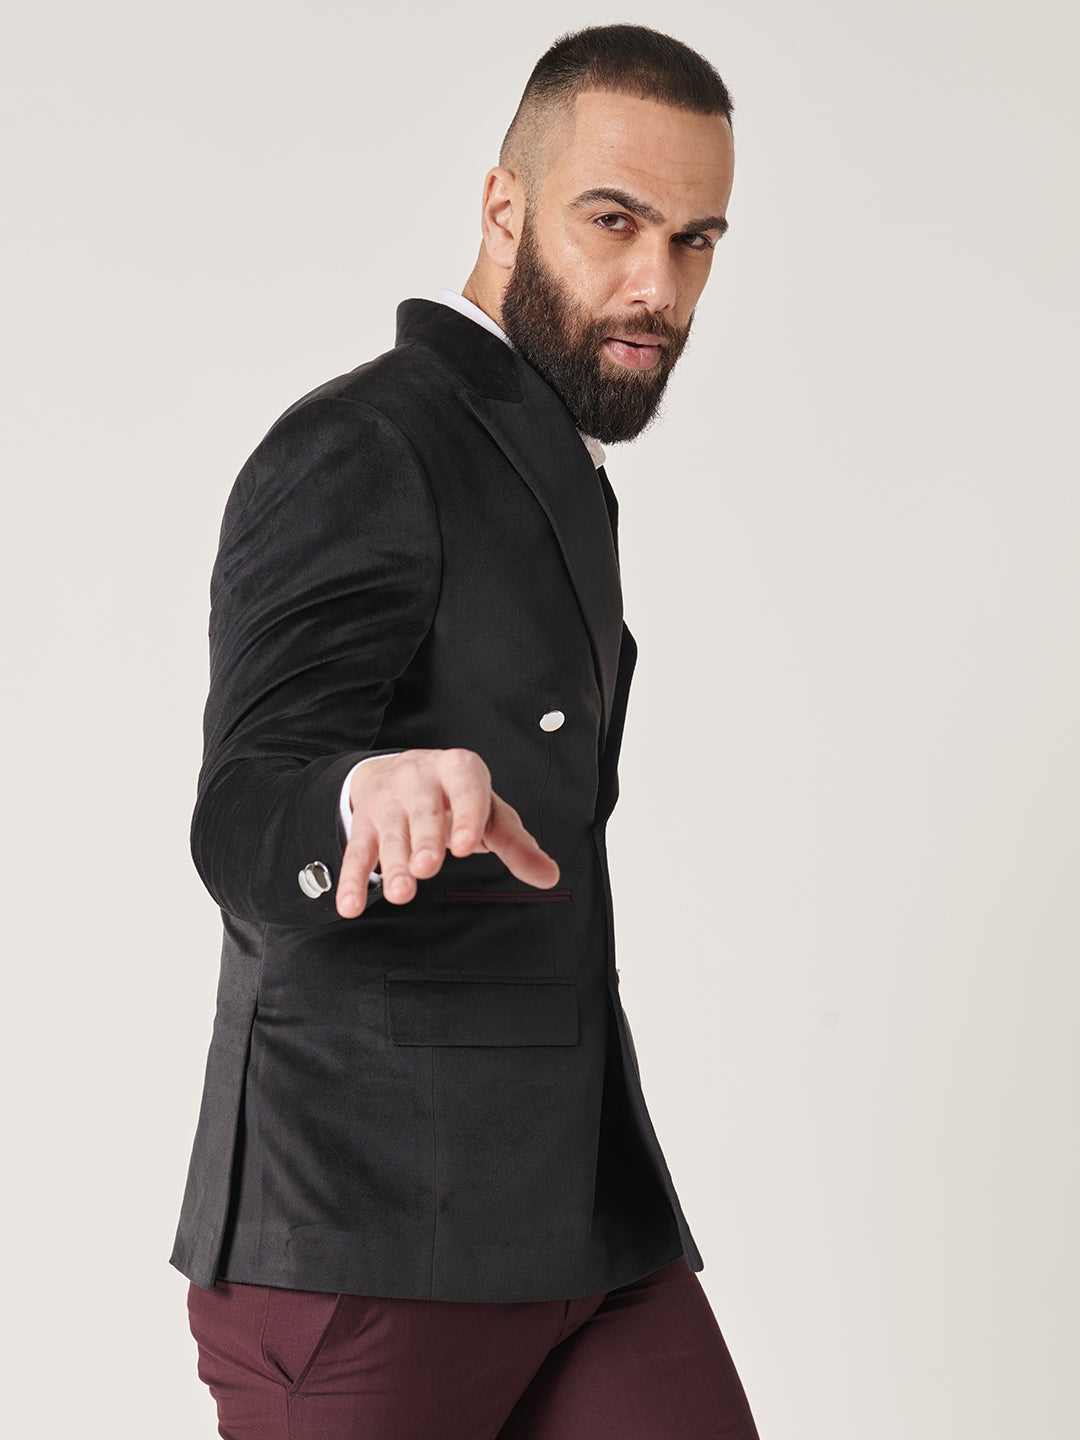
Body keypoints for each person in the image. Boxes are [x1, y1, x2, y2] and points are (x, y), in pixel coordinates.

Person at [174, 22, 759, 1440]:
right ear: (504, 207)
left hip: (580, 1216)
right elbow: (243, 805)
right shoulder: (368, 443)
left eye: (694, 240)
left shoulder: (553, 463)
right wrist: (356, 797)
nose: (657, 283)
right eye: (614, 220)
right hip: (367, 1235)